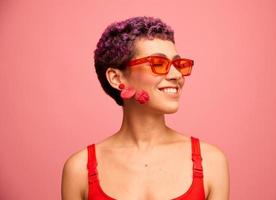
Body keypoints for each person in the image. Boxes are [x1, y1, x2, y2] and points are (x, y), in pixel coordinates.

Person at [61, 16, 229, 200]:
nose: (176, 75)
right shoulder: (79, 170)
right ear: (117, 79)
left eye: (177, 64)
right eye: (158, 64)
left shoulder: (211, 162)